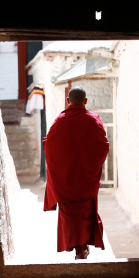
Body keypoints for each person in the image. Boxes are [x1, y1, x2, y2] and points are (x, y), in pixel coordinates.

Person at [43, 85, 110, 259]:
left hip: (66, 180)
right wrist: (91, 166)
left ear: (68, 101)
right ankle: (83, 247)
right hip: (86, 179)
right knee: (85, 213)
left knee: (70, 216)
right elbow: (103, 146)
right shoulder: (93, 120)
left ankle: (78, 247)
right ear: (85, 101)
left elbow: (49, 145)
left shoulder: (59, 121)